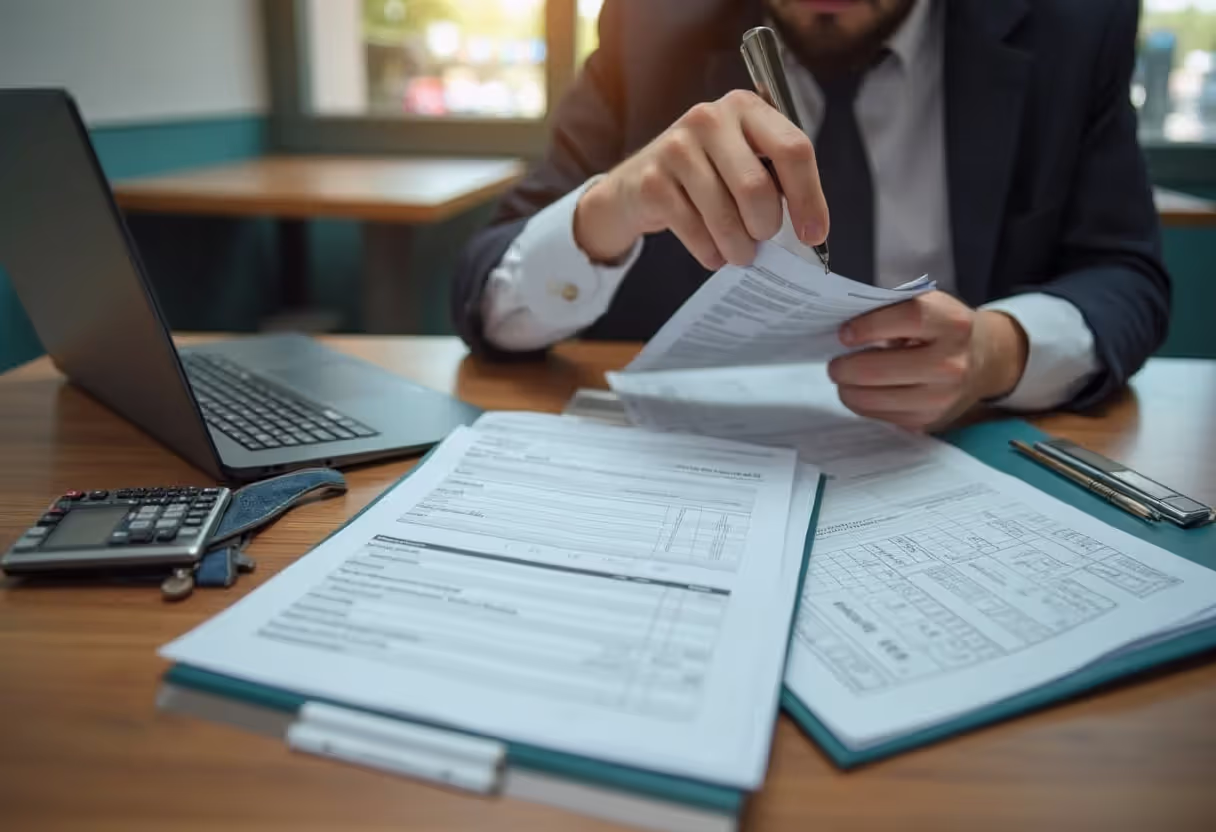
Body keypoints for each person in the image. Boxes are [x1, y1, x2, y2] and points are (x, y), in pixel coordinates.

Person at [451, 0, 1169, 430]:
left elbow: (1126, 275)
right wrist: (608, 208)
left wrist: (999, 352)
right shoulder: (650, 21)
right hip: (692, 473)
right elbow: (488, 298)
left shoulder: (1073, 25)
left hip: (945, 458)